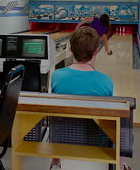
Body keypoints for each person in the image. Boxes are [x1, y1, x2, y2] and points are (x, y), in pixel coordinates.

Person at [50, 27, 131, 170]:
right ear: (95, 52)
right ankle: (120, 164)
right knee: (119, 122)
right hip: (97, 140)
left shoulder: (57, 75)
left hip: (62, 138)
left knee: (58, 119)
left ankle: (56, 163)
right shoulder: (105, 81)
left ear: (70, 50)